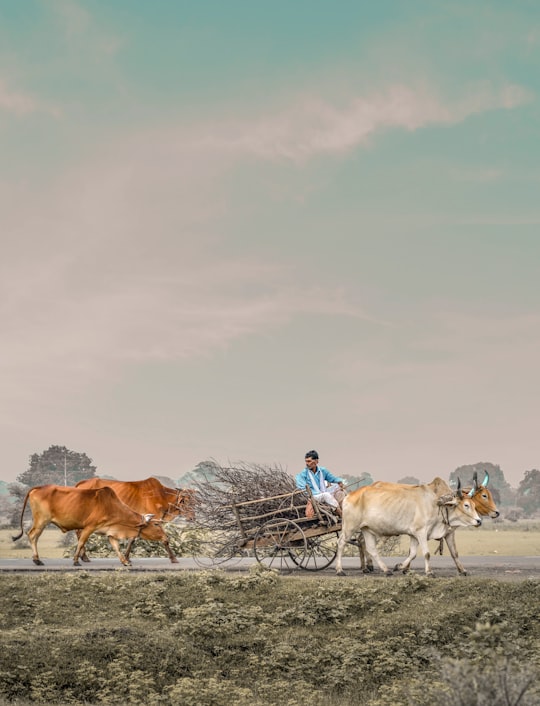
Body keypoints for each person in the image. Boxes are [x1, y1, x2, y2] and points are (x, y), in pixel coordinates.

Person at [295, 450, 345, 517]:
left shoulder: (322, 471)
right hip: (313, 496)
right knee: (326, 495)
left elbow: (332, 479)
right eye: (306, 461)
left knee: (338, 488)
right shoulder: (302, 475)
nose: (307, 463)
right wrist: (319, 494)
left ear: (316, 461)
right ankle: (340, 514)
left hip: (322, 492)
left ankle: (344, 509)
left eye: (309, 461)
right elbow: (302, 490)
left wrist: (340, 482)